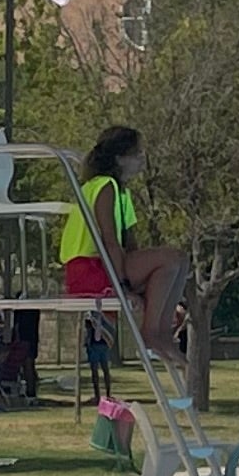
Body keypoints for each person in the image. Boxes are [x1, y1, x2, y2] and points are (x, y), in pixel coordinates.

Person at [59, 125, 186, 357]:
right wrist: (124, 287)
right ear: (119, 158)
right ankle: (150, 333)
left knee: (179, 262)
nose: (142, 159)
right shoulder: (104, 186)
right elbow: (109, 241)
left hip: (106, 265)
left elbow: (131, 245)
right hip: (88, 268)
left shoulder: (122, 193)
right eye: (136, 154)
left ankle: (163, 332)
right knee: (171, 259)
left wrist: (146, 282)